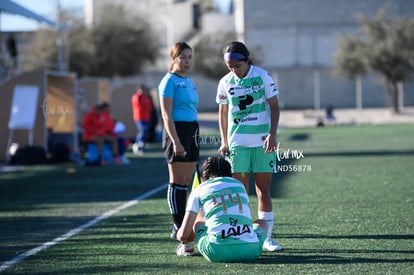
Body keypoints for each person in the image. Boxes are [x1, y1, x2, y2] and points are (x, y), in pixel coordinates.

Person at [216, 41, 282, 251]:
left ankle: (267, 238)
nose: (234, 69)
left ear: (247, 60)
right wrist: (224, 140)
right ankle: (244, 235)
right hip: (237, 144)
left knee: (263, 190)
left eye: (237, 65)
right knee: (239, 192)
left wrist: (272, 135)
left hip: (262, 143)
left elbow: (274, 107)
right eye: (229, 66)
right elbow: (223, 113)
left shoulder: (262, 76)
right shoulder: (225, 82)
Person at [176, 156, 268, 261]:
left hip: (217, 251)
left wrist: (181, 235)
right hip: (250, 251)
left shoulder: (199, 189)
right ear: (230, 173)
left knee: (198, 217)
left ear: (205, 175)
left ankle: (187, 248)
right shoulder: (239, 185)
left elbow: (183, 235)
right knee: (262, 222)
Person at [158, 42, 200, 249]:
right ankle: (178, 227)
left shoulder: (189, 81)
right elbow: (166, 115)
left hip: (192, 131)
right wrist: (176, 141)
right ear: (174, 59)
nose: (187, 61)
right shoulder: (168, 81)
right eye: (183, 57)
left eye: (190, 57)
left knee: (188, 182)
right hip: (177, 132)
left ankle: (185, 225)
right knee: (177, 182)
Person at [131, 84, 154, 155]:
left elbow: (150, 108)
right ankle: (136, 144)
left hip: (146, 117)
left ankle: (141, 145)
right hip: (139, 117)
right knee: (142, 131)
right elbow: (138, 104)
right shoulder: (137, 96)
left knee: (145, 132)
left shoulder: (146, 97)